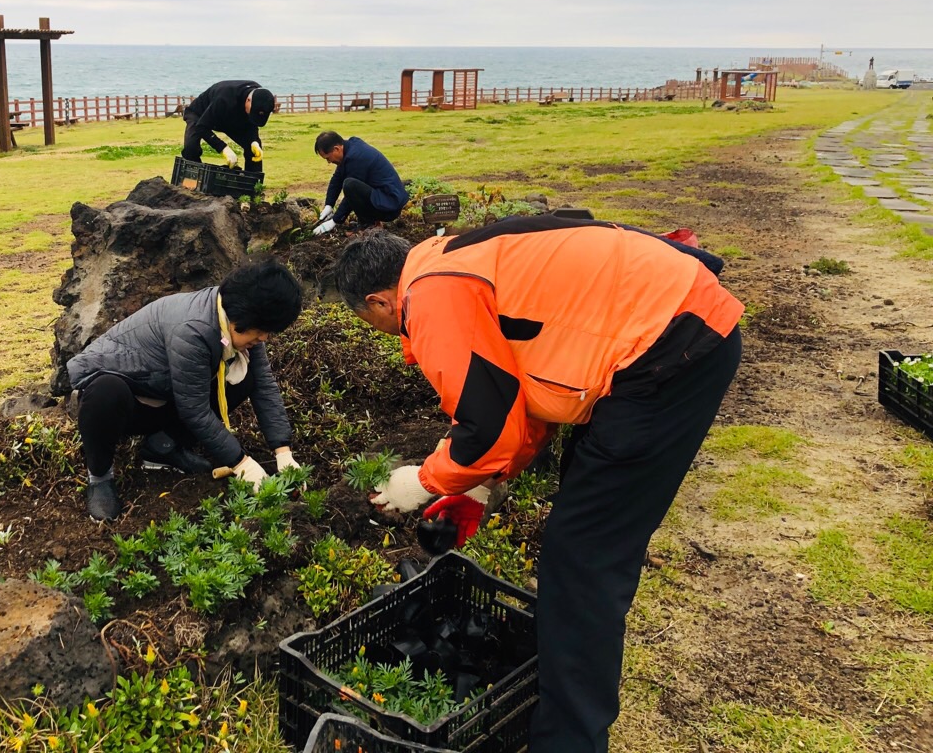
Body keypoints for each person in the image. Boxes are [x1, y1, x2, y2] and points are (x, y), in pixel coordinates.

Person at [332, 221, 743, 753]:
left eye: (370, 323)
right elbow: (521, 390)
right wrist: (480, 486)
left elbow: (484, 429)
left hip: (668, 348)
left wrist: (424, 481)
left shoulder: (431, 294)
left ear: (379, 302)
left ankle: (567, 742)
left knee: (583, 566)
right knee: (580, 523)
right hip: (670, 325)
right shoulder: (445, 258)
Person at [65, 260, 304, 521]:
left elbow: (264, 383)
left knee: (246, 379)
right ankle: (100, 477)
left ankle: (161, 447)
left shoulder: (235, 315)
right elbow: (194, 409)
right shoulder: (194, 328)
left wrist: (283, 452)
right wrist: (242, 464)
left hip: (165, 390)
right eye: (260, 333)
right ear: (241, 320)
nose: (263, 339)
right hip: (131, 399)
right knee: (105, 391)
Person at [311, 131, 410, 235]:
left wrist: (334, 221)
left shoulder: (356, 158)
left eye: (328, 158)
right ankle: (371, 223)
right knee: (349, 184)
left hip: (389, 206)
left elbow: (351, 195)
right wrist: (329, 205)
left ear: (336, 149)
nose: (329, 162)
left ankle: (368, 226)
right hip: (383, 197)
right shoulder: (350, 148)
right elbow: (337, 178)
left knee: (350, 185)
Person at [180, 80, 277, 172]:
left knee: (253, 149)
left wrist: (254, 142)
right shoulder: (224, 98)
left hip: (230, 118)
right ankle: (192, 178)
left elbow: (251, 124)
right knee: (191, 147)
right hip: (200, 114)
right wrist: (223, 148)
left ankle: (253, 184)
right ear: (248, 100)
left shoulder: (260, 97)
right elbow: (201, 127)